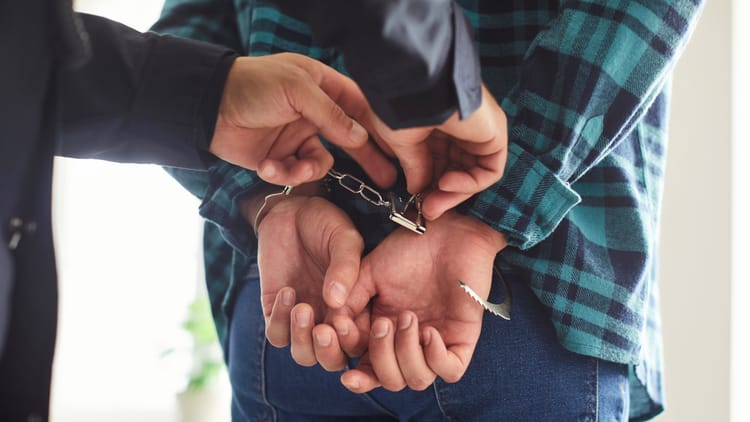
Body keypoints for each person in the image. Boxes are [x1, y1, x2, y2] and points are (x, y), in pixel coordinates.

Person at [152, 0, 704, 420]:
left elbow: (189, 32)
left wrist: (268, 198)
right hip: (527, 290)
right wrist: (501, 200)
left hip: (294, 295)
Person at [0, 0, 456, 418]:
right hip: (290, 283)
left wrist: (219, 108)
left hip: (388, 290)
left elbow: (189, 23)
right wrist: (264, 193)